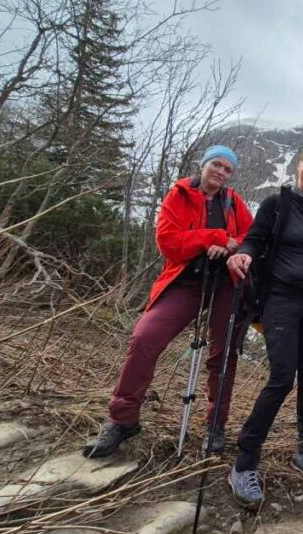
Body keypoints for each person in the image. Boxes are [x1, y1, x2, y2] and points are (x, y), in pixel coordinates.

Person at [83, 145, 254, 458]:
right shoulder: (178, 196)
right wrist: (214, 237)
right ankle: (123, 419)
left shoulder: (233, 202)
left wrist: (232, 248)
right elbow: (168, 242)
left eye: (227, 169)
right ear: (203, 164)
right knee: (145, 337)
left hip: (226, 284)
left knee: (223, 353)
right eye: (216, 164)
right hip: (185, 281)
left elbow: (251, 237)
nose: (221, 172)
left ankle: (215, 424)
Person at [226, 147, 303, 509]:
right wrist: (245, 253)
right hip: (280, 299)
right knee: (282, 376)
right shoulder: (275, 205)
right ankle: (244, 462)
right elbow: (255, 239)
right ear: (300, 166)